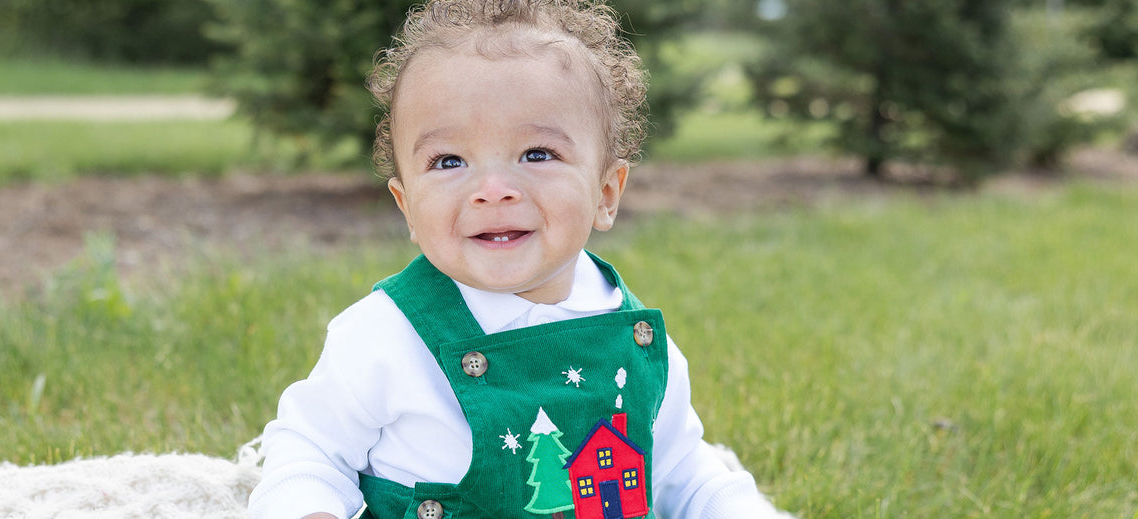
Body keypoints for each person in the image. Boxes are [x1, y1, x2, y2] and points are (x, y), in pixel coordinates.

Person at [249, 1, 792, 518]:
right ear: (407, 207)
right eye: (448, 160)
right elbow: (309, 450)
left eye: (537, 154)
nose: (492, 189)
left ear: (606, 193)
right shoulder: (386, 334)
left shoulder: (635, 340)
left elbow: (684, 473)